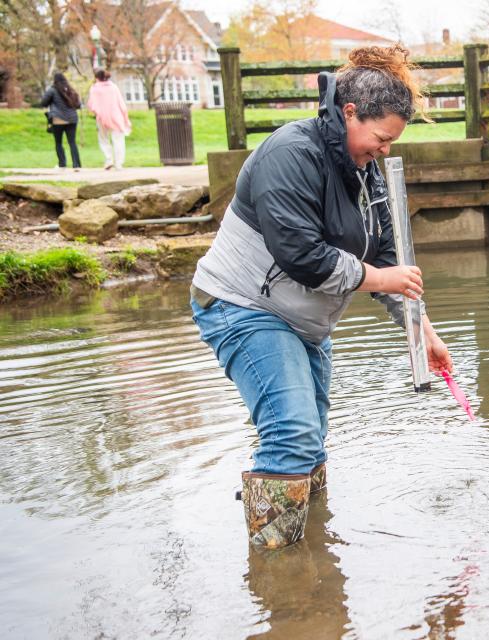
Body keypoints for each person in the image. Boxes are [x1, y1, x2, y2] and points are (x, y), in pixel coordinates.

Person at [190, 45, 454, 550]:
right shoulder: (292, 153)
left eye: (392, 143)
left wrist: (423, 330)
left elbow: (383, 255)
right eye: (381, 139)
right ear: (350, 112)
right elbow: (301, 256)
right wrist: (383, 280)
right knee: (292, 432)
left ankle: (310, 561)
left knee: (309, 437)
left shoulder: (364, 168)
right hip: (242, 305)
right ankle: (278, 571)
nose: (385, 151)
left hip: (301, 318)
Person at [87, 68, 131, 170]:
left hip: (102, 117)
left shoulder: (94, 88)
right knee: (118, 140)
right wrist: (125, 116)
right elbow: (121, 102)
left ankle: (109, 159)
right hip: (116, 117)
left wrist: (97, 111)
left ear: (96, 77)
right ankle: (119, 163)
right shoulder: (114, 87)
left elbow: (91, 104)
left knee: (103, 139)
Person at [40, 72, 82, 171]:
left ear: (55, 80)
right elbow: (78, 105)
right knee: (72, 142)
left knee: (58, 142)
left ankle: (62, 164)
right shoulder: (71, 90)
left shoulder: (52, 90)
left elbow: (43, 103)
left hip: (58, 119)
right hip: (72, 119)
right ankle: (76, 165)